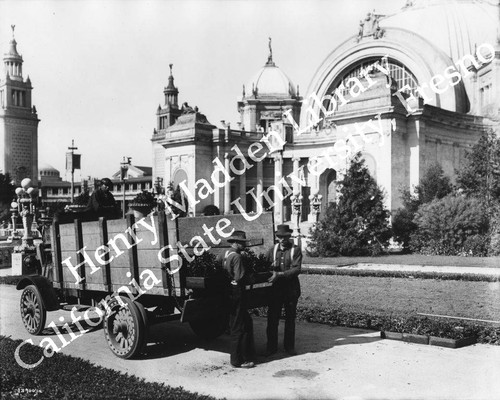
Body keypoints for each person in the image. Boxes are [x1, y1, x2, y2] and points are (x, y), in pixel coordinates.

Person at [265, 224, 302, 356]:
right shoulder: (272, 250)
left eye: (285, 236)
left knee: (290, 319)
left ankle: (289, 347)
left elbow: (297, 269)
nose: (282, 239)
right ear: (277, 237)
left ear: (289, 236)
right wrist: (271, 270)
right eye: (280, 237)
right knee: (272, 319)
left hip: (291, 289)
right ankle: (271, 347)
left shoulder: (295, 250)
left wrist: (279, 274)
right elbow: (265, 265)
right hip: (275, 290)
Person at [224, 230, 256, 368]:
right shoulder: (237, 257)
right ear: (236, 243)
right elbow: (240, 277)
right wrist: (252, 278)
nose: (244, 245)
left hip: (229, 291)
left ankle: (240, 356)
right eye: (242, 243)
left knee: (235, 323)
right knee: (240, 325)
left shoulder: (225, 254)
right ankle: (238, 360)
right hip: (238, 292)